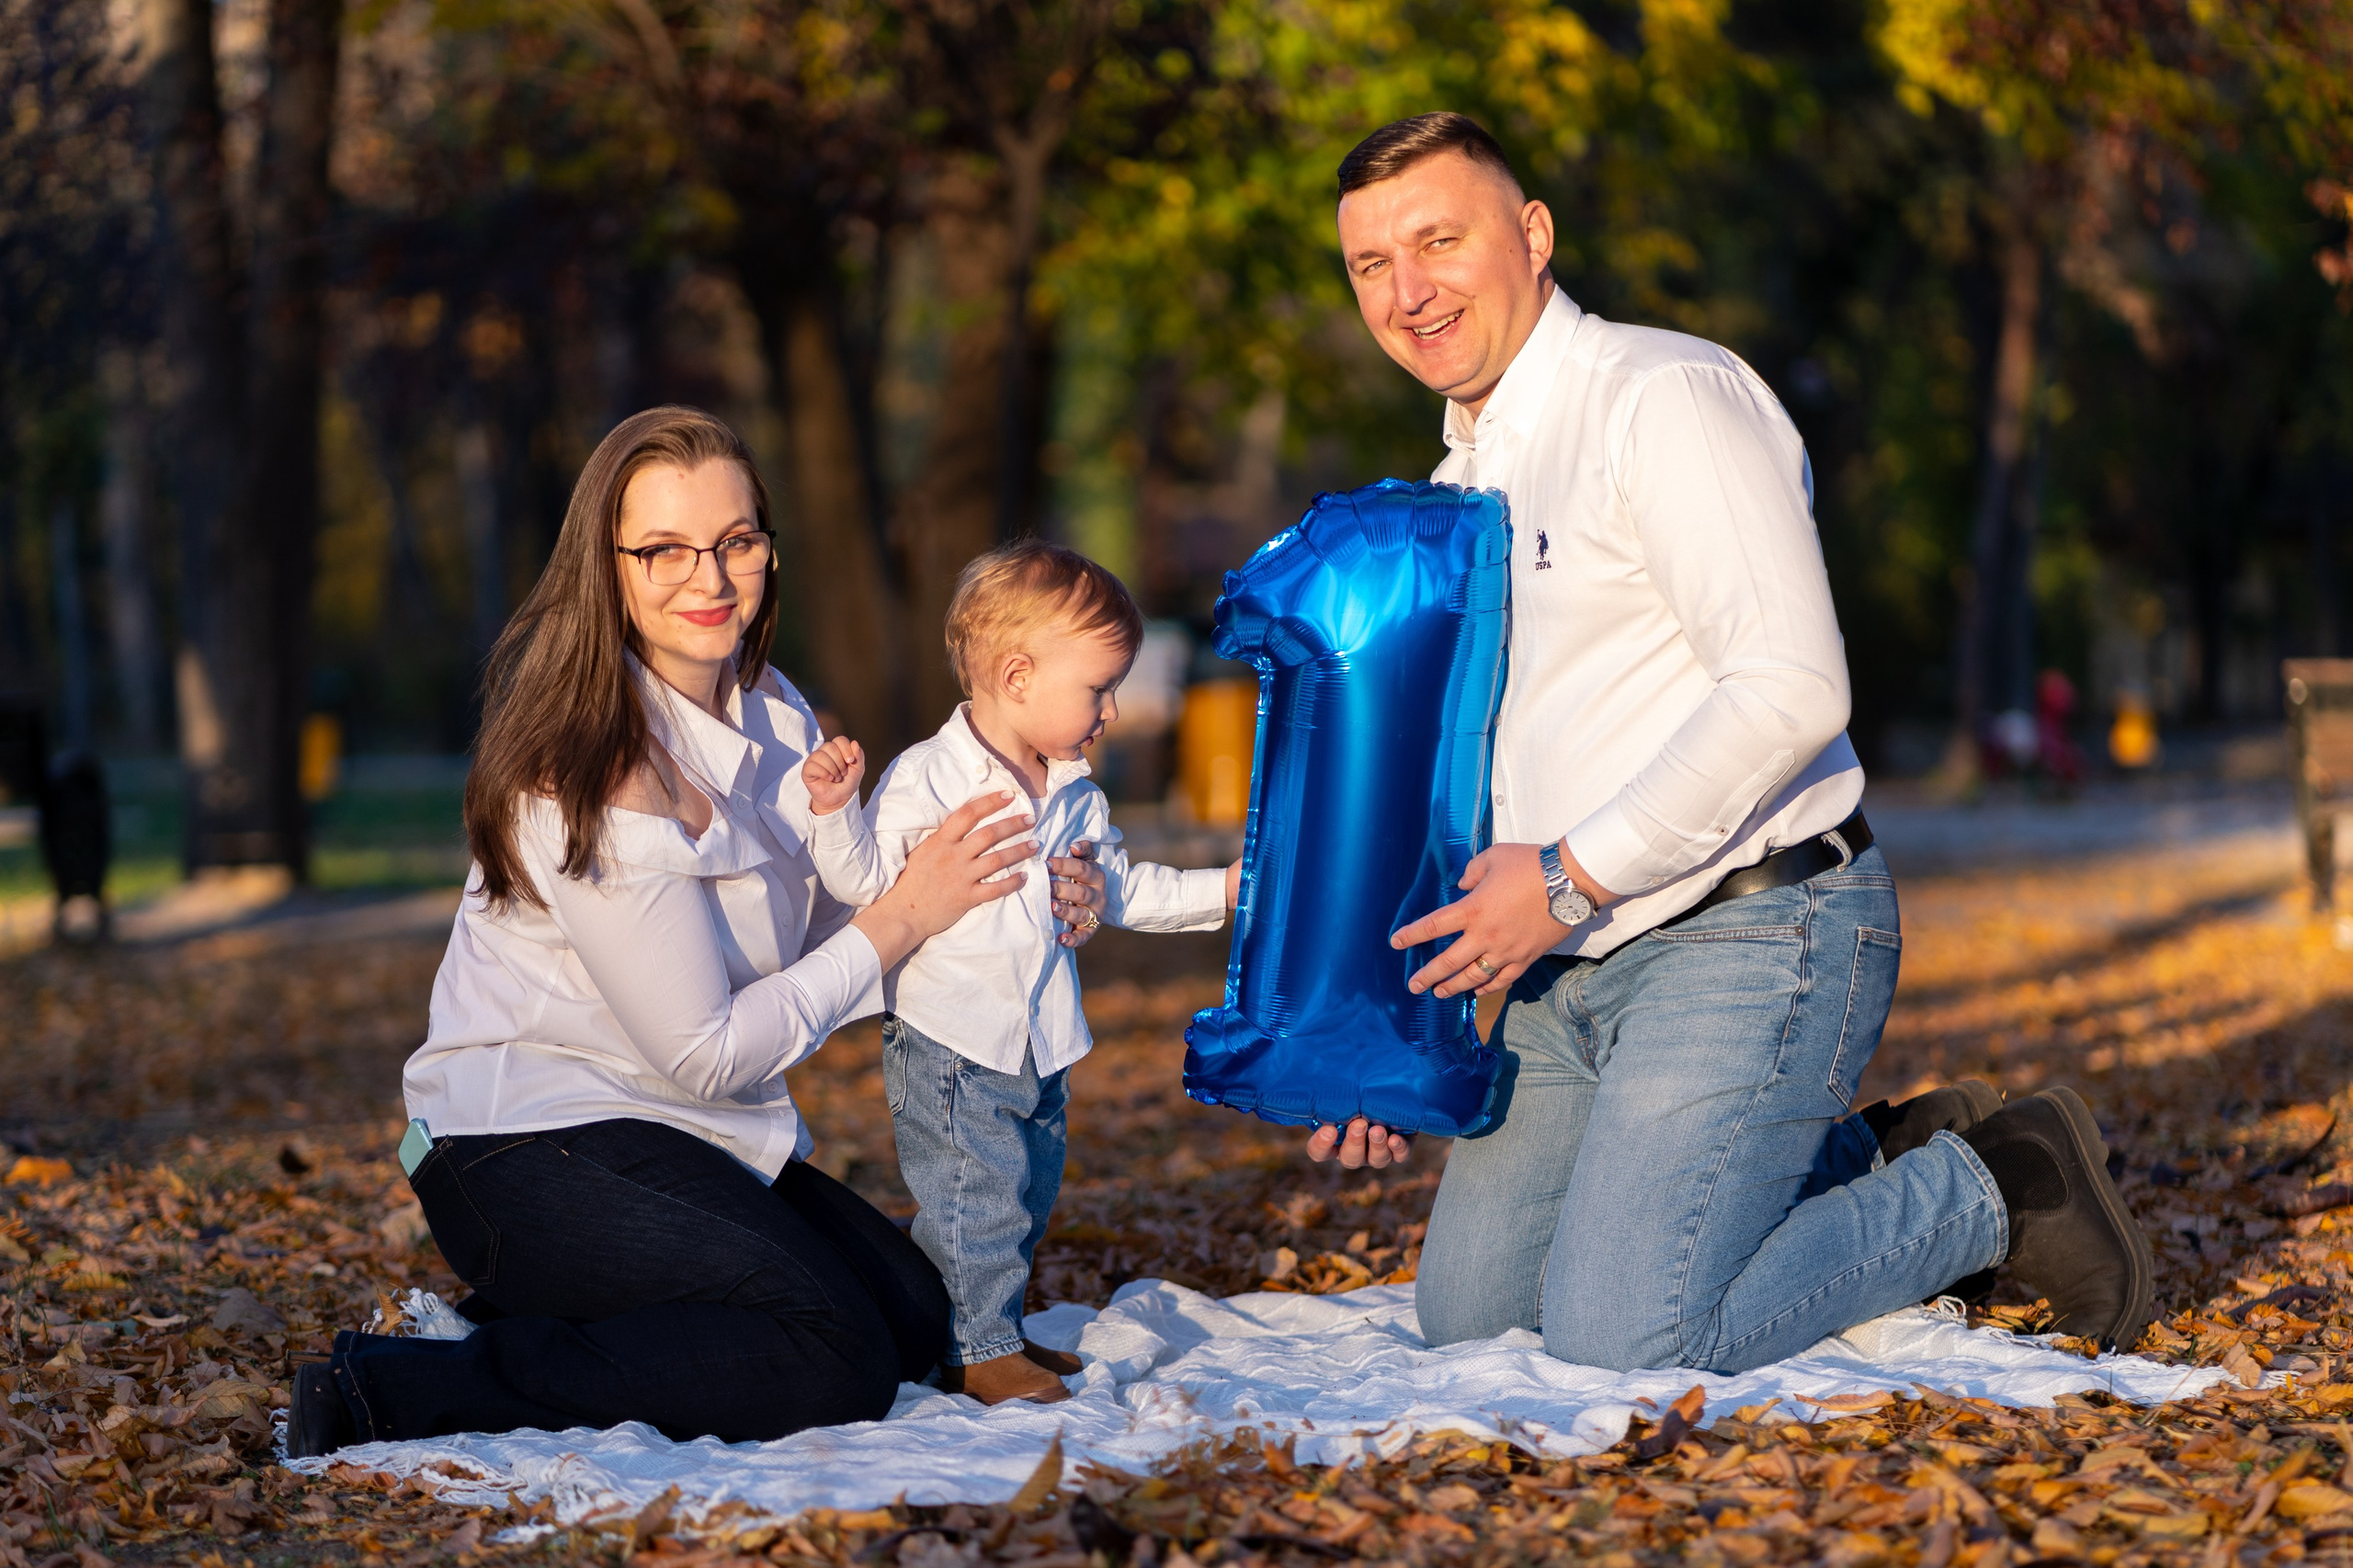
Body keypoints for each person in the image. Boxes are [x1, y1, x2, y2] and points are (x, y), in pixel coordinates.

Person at [1308, 114, 2154, 1369]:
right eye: (1371, 264)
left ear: (1532, 236)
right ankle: (1846, 1158)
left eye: (1438, 241)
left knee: (1628, 1332)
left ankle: (1994, 1182)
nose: (1407, 290)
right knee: (1475, 1317)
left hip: (1756, 927)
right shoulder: (1455, 487)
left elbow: (1791, 687)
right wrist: (1375, 1032)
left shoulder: (1662, 399)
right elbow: (1476, 777)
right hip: (1567, 968)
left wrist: (1566, 878)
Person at [286, 406, 1113, 1456]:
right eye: (665, 550)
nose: (710, 578)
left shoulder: (777, 713)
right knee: (833, 1355)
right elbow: (710, 1050)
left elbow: (837, 923)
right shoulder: (587, 767)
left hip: (683, 1132)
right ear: (607, 567)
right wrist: (908, 914)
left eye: (735, 541)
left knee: (916, 1317)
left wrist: (1011, 897)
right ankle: (389, 1386)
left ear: (767, 545)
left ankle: (566, 1319)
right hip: (520, 1147)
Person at [801, 540, 1241, 1405]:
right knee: (976, 1200)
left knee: (1027, 1194)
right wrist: (832, 812)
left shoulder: (1075, 790)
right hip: (953, 1038)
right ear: (1016, 677)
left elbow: (1120, 890)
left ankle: (992, 1328)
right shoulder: (929, 777)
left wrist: (1223, 890)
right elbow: (863, 882)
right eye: (1098, 689)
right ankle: (977, 1349)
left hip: (1042, 1039)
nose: (1112, 711)